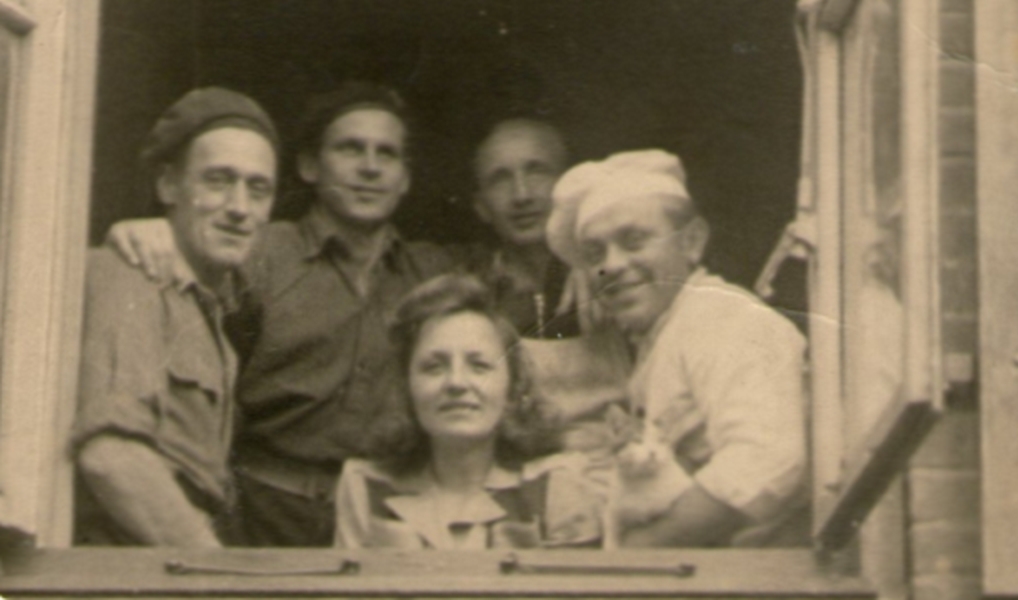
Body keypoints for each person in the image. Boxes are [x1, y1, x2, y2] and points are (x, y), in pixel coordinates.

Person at [106, 82, 452, 547]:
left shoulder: (433, 272)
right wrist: (148, 233)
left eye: (386, 154)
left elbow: (521, 291)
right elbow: (186, 289)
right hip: (263, 510)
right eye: (350, 149)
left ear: (405, 177)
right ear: (310, 165)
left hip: (383, 515)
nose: (369, 168)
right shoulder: (257, 252)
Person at [546, 149, 809, 547]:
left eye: (634, 241)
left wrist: (639, 555)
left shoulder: (721, 316)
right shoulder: (667, 334)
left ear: (692, 241)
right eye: (595, 254)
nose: (612, 265)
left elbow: (765, 462)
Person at [72, 87, 280, 546]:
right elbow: (111, 455)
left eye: (258, 188)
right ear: (168, 185)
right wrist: (217, 578)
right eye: (218, 180)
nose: (240, 208)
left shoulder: (211, 311)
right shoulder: (132, 275)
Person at [334, 274, 604, 549]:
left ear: (512, 386)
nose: (456, 383)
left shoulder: (556, 483)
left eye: (479, 366)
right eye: (434, 367)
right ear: (407, 384)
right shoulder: (365, 485)